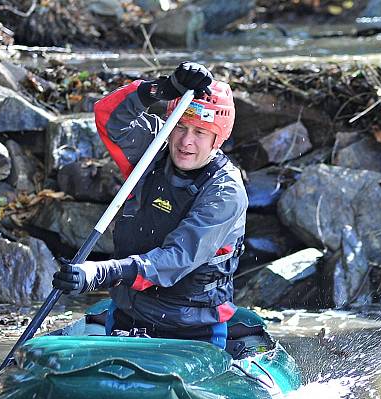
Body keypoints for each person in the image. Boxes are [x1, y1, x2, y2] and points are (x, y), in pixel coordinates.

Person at [51, 62, 246, 350]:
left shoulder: (225, 191)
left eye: (200, 133)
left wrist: (100, 273)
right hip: (127, 319)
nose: (186, 142)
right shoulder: (152, 152)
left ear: (218, 138)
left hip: (192, 333)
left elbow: (176, 259)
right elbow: (108, 116)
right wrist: (160, 89)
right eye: (180, 126)